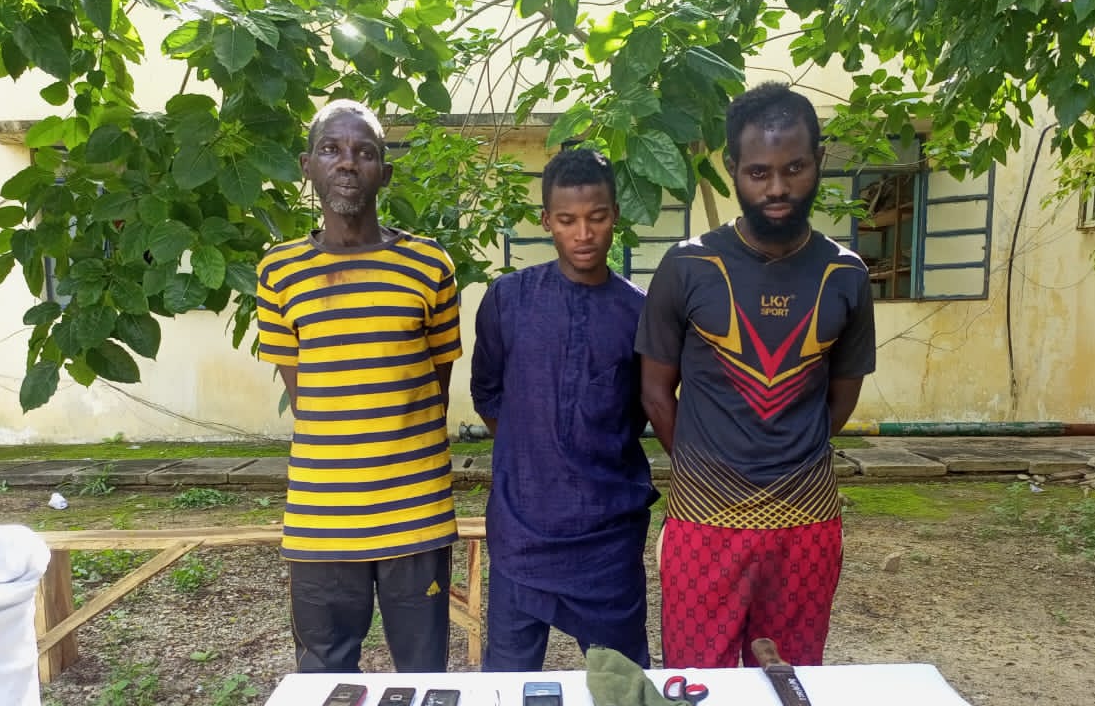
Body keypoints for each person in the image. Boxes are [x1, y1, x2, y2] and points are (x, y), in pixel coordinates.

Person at [635, 82, 876, 668]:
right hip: (704, 523)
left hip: (808, 524)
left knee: (790, 686)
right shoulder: (687, 265)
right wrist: (705, 463)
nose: (776, 188)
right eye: (757, 172)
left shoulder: (845, 273)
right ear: (735, 169)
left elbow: (840, 398)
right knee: (697, 687)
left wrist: (786, 455)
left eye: (793, 168)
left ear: (818, 161)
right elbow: (653, 391)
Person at [255, 100, 461, 673]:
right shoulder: (279, 272)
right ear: (307, 166)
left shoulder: (429, 266)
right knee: (323, 683)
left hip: (416, 516)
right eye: (332, 149)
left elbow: (431, 388)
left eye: (364, 152)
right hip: (323, 520)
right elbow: (307, 399)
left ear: (384, 173)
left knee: (424, 682)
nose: (348, 164)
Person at [470, 147, 659, 671]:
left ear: (615, 216)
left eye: (597, 218)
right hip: (521, 532)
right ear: (546, 219)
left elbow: (639, 412)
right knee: (507, 691)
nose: (583, 234)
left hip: (608, 540)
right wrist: (532, 448)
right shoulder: (508, 300)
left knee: (626, 689)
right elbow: (487, 392)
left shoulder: (638, 313)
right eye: (568, 220)